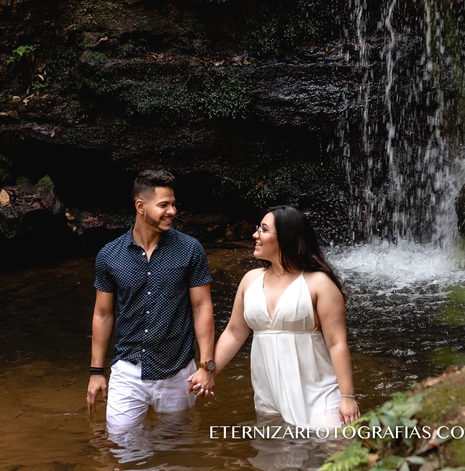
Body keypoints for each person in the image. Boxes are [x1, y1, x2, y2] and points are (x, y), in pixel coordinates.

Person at [86, 169, 217, 431]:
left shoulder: (190, 249)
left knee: (177, 448)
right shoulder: (109, 255)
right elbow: (103, 314)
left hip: (178, 371)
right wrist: (96, 373)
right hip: (128, 370)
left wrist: (207, 366)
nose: (172, 211)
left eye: (173, 204)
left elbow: (202, 308)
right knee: (121, 447)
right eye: (164, 205)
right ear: (141, 206)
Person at [210, 205, 361, 428]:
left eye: (263, 229)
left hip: (319, 393)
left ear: (285, 237)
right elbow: (234, 332)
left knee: (336, 450)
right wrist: (209, 371)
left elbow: (337, 343)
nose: (255, 235)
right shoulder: (250, 280)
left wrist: (347, 397)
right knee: (276, 458)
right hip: (269, 395)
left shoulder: (319, 283)